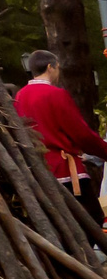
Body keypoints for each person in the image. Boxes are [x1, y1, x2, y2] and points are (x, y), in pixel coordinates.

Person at [14, 49, 106, 225]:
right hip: (65, 170)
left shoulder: (20, 96)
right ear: (51, 67)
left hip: (37, 169)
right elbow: (81, 133)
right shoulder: (56, 95)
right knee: (91, 219)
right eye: (58, 68)